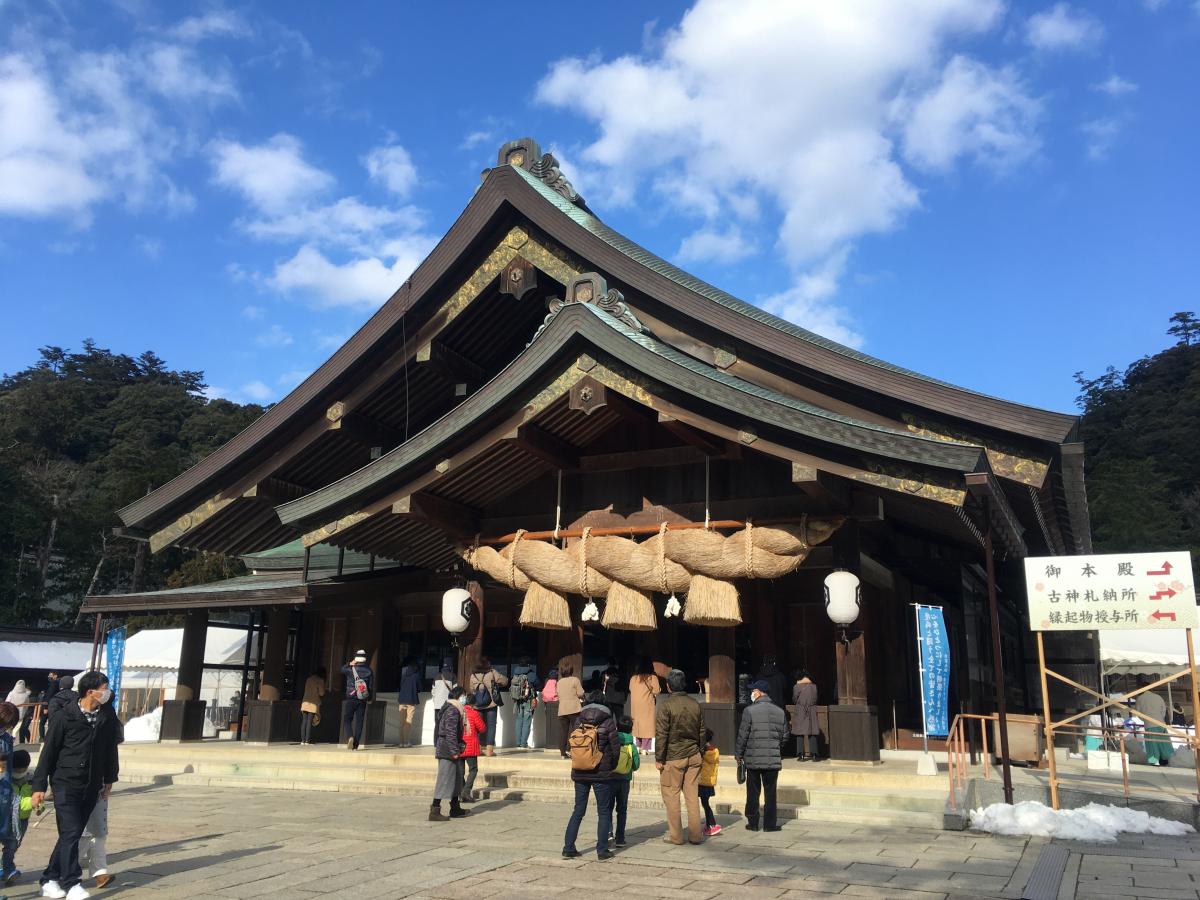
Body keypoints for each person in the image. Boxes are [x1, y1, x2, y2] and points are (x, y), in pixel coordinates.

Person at [32, 670, 121, 900]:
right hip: (65, 782)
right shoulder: (65, 716)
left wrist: (109, 778)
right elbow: (48, 752)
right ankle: (72, 883)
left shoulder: (106, 716)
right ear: (90, 692)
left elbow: (110, 749)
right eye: (104, 689)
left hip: (91, 783)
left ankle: (49, 879)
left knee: (70, 834)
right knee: (71, 831)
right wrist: (39, 786)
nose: (107, 693)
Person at [562, 691, 621, 861]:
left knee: (578, 810)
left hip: (580, 771)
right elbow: (615, 749)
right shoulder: (608, 721)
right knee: (603, 811)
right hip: (601, 773)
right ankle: (602, 850)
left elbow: (572, 744)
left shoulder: (578, 720)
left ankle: (568, 847)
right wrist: (611, 766)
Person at [655, 668, 704, 846]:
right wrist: (700, 752)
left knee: (672, 796)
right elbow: (702, 731)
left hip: (673, 757)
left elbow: (661, 734)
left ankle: (676, 836)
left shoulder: (666, 706)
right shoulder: (695, 704)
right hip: (693, 755)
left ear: (668, 686)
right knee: (692, 797)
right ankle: (696, 835)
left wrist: (659, 758)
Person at [736, 679, 787, 832]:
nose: (751, 694)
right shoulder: (780, 711)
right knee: (771, 793)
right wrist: (775, 748)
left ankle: (753, 823)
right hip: (772, 759)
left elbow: (743, 735)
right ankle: (770, 825)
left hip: (753, 758)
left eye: (753, 691)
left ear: (758, 692)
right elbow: (785, 736)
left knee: (753, 792)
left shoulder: (749, 711)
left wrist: (739, 754)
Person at [429, 687, 468, 822]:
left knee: (456, 779)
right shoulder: (452, 710)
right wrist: (454, 750)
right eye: (463, 695)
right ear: (458, 696)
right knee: (444, 779)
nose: (464, 698)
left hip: (451, 747)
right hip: (447, 749)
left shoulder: (455, 708)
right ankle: (435, 810)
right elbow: (450, 731)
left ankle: (455, 807)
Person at [608, 715, 639, 848]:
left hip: (610, 779)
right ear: (631, 729)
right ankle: (620, 838)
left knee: (607, 808)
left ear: (617, 727)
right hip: (624, 780)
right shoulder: (631, 745)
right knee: (622, 810)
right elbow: (636, 765)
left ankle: (608, 833)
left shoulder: (612, 741)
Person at [467, 659, 508, 756]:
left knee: (478, 726)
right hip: (491, 704)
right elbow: (505, 681)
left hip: (478, 705)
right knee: (491, 726)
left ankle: (479, 749)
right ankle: (489, 750)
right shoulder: (492, 673)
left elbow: (471, 689)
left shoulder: (473, 676)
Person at [4, 749, 33, 886]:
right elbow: (14, 802)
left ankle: (5, 867)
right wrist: (32, 802)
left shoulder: (31, 780)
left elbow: (37, 797)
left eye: (23, 769)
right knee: (10, 844)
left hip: (22, 820)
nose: (20, 771)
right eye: (17, 769)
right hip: (6, 818)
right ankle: (8, 869)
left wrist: (39, 806)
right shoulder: (6, 780)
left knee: (14, 844)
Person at [339, 651, 373, 751]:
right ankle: (356, 745)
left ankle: (350, 736)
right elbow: (371, 686)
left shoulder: (350, 669)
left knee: (347, 719)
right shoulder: (369, 671)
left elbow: (342, 670)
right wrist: (369, 699)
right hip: (362, 698)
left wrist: (349, 663)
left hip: (351, 697)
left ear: (356, 659)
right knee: (359, 722)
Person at [629, 657, 661, 755]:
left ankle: (638, 746)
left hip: (635, 705)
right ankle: (645, 748)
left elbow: (630, 688)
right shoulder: (652, 677)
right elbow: (656, 691)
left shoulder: (633, 678)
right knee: (647, 725)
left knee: (637, 724)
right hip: (647, 704)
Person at [459, 694, 485, 803]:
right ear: (473, 703)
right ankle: (466, 791)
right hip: (471, 746)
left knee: (460, 771)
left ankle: (462, 793)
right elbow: (482, 728)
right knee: (473, 769)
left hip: (459, 745)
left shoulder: (459, 712)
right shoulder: (474, 713)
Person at [555, 664, 585, 759]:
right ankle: (570, 749)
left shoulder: (559, 682)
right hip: (574, 708)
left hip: (562, 709)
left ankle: (562, 753)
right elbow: (580, 693)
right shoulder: (575, 680)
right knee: (575, 730)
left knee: (563, 732)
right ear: (571, 671)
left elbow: (558, 694)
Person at [509, 657, 539, 751]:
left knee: (519, 721)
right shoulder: (531, 674)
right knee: (526, 722)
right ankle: (523, 744)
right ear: (528, 665)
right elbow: (539, 684)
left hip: (517, 701)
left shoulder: (515, 673)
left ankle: (518, 743)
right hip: (528, 701)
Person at [791, 670, 819, 761]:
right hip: (811, 709)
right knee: (812, 731)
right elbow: (815, 699)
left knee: (799, 732)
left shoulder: (796, 686)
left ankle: (801, 755)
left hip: (801, 710)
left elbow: (794, 699)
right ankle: (814, 754)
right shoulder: (814, 686)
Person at [699, 728, 721, 836]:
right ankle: (709, 824)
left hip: (701, 782)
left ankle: (711, 825)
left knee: (705, 805)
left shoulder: (702, 752)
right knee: (705, 803)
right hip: (709, 782)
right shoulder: (714, 751)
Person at [396, 657, 422, 748]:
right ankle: (406, 742)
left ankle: (401, 742)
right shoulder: (416, 675)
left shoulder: (403, 674)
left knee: (401, 722)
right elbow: (419, 688)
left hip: (402, 700)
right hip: (411, 700)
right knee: (408, 721)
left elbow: (400, 685)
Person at [299, 667, 326, 746]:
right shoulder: (320, 680)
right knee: (309, 721)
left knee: (304, 721)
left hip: (305, 701)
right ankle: (307, 741)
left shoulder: (309, 679)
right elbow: (321, 693)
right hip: (313, 702)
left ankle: (302, 740)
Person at [431, 668, 456, 740]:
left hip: (437, 705)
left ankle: (436, 742)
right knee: (448, 723)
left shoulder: (436, 676)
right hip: (448, 704)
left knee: (437, 724)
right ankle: (446, 741)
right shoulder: (452, 676)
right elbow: (455, 690)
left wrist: (435, 700)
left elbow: (433, 691)